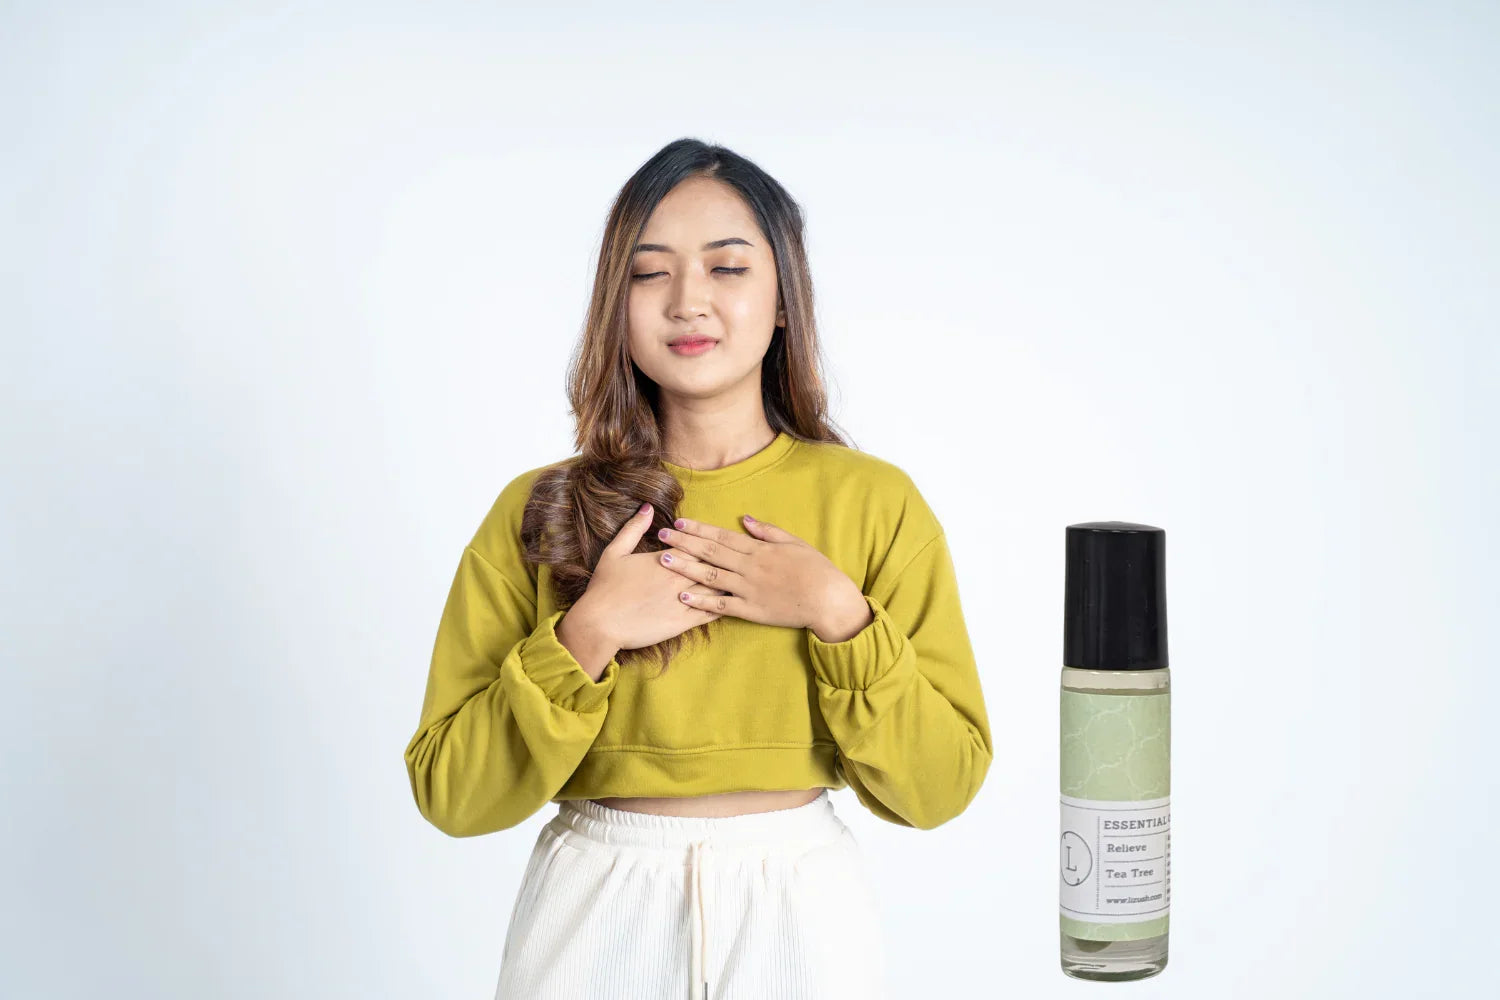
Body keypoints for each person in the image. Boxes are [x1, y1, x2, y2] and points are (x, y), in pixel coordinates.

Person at [402, 137, 994, 1000]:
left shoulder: (875, 504)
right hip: (594, 906)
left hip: (801, 904)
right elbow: (453, 794)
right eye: (650, 274)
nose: (689, 302)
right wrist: (589, 630)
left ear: (784, 299)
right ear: (616, 302)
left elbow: (940, 788)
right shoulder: (543, 508)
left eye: (727, 268)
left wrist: (838, 614)